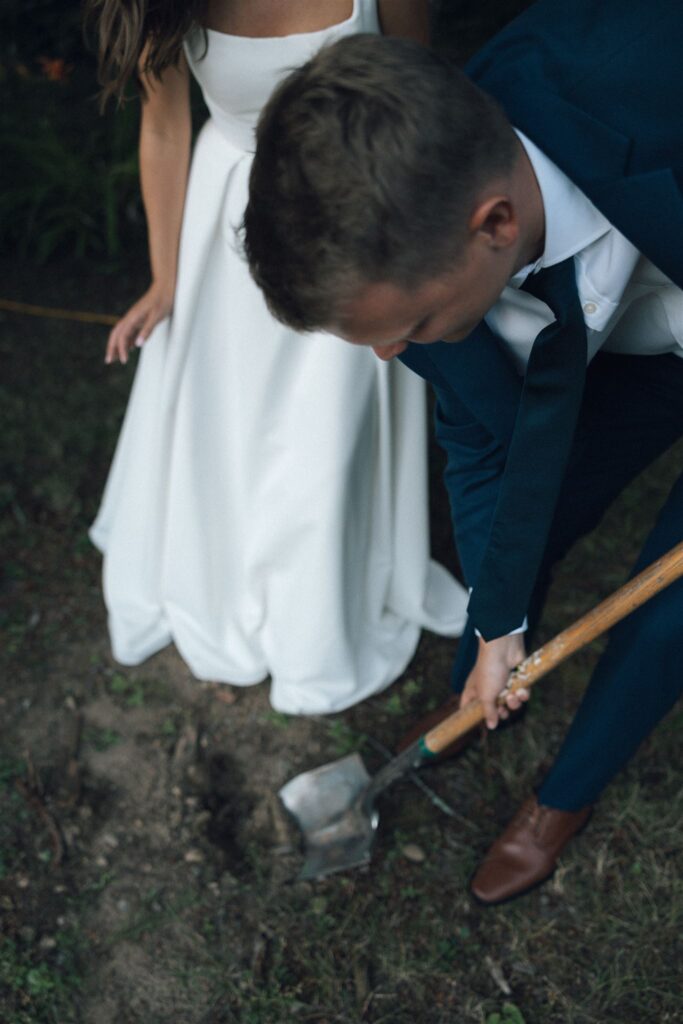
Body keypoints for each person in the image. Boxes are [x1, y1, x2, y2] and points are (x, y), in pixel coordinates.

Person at [243, 0, 683, 901]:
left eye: (409, 327)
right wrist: (496, 621)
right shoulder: (412, 224)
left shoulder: (651, 76)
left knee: (669, 608)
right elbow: (483, 447)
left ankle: (562, 797)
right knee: (530, 525)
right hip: (628, 349)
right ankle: (479, 681)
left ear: (493, 225)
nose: (389, 355)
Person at [86, 0, 468, 716]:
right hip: (225, 215)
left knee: (324, 440)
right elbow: (164, 126)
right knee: (224, 431)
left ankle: (315, 617)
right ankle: (217, 581)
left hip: (358, 223)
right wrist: (168, 279)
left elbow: (424, 96)